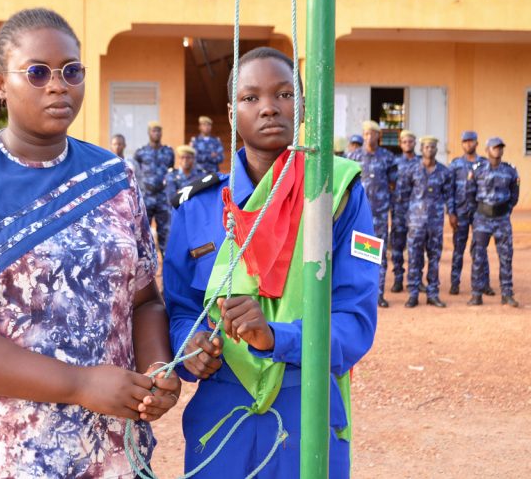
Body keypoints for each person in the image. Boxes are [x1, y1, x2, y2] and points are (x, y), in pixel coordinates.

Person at [0, 8, 180, 478]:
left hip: (107, 451)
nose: (58, 85)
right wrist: (79, 384)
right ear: (0, 85)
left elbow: (144, 300)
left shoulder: (114, 177)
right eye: (37, 72)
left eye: (71, 71)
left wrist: (156, 369)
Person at [164, 47, 377, 479]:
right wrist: (190, 347)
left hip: (306, 407)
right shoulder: (198, 207)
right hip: (221, 416)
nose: (268, 108)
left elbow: (355, 321)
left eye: (284, 94)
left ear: (302, 106)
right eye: (250, 98)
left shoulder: (337, 196)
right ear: (231, 114)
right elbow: (181, 308)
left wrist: (276, 337)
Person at [394, 136, 454, 308]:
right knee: (414, 258)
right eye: (426, 147)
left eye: (432, 147)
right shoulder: (411, 170)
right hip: (415, 223)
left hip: (435, 223)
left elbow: (449, 195)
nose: (429, 149)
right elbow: (402, 196)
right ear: (421, 149)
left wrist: (451, 213)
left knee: (434, 258)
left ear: (436, 149)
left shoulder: (444, 172)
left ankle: (433, 294)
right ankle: (413, 294)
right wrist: (404, 218)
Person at [346, 120, 397, 307]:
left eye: (372, 134)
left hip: (380, 213)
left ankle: (378, 294)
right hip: (358, 213)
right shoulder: (353, 156)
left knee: (379, 253)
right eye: (366, 134)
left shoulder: (387, 157)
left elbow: (393, 184)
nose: (368, 137)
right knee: (358, 253)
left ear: (378, 136)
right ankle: (358, 294)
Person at [468, 137, 520, 307]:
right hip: (482, 218)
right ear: (487, 150)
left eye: (500, 148)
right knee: (478, 256)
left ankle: (507, 294)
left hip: (502, 219)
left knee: (506, 256)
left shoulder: (510, 171)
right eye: (494, 147)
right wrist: (477, 213)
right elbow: (470, 194)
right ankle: (476, 294)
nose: (498, 150)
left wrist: (506, 210)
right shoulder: (477, 170)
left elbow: (514, 194)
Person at [448, 130, 492, 296]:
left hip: (480, 213)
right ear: (462, 144)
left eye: (471, 141)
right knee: (458, 249)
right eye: (465, 141)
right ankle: (455, 283)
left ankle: (484, 284)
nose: (468, 144)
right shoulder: (456, 164)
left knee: (480, 248)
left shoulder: (485, 164)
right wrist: (451, 213)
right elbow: (449, 190)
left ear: (476, 143)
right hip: (460, 212)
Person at [134, 121, 175, 257]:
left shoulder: (168, 152)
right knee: (143, 232)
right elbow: (136, 173)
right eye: (154, 131)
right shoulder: (141, 152)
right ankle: (145, 262)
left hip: (163, 198)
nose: (156, 133)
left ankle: (166, 263)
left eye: (158, 131)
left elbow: (170, 169)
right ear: (149, 133)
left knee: (165, 233)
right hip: (146, 197)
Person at [390, 130, 420, 293]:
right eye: (404, 142)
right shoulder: (394, 163)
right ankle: (398, 278)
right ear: (400, 144)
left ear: (415, 143)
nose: (408, 144)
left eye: (410, 141)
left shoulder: (421, 162)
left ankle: (416, 279)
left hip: (417, 212)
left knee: (417, 247)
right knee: (397, 246)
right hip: (399, 210)